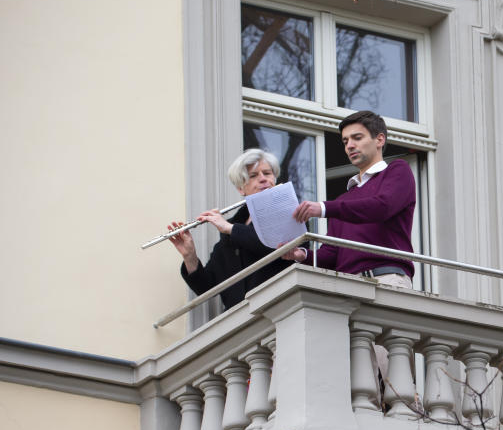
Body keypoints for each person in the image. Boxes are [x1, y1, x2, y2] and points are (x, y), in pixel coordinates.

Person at [286, 110, 416, 289]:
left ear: (379, 139)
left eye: (357, 138)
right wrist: (302, 255)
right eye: (345, 141)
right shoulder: (344, 200)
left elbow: (381, 207)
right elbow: (331, 254)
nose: (349, 146)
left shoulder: (397, 171)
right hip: (346, 286)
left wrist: (323, 208)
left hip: (385, 277)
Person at [167, 149, 293, 309]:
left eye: (267, 173)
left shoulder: (288, 211)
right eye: (254, 176)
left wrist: (230, 228)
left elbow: (275, 246)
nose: (263, 179)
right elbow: (206, 287)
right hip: (240, 322)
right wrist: (189, 255)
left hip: (279, 309)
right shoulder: (229, 235)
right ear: (241, 188)